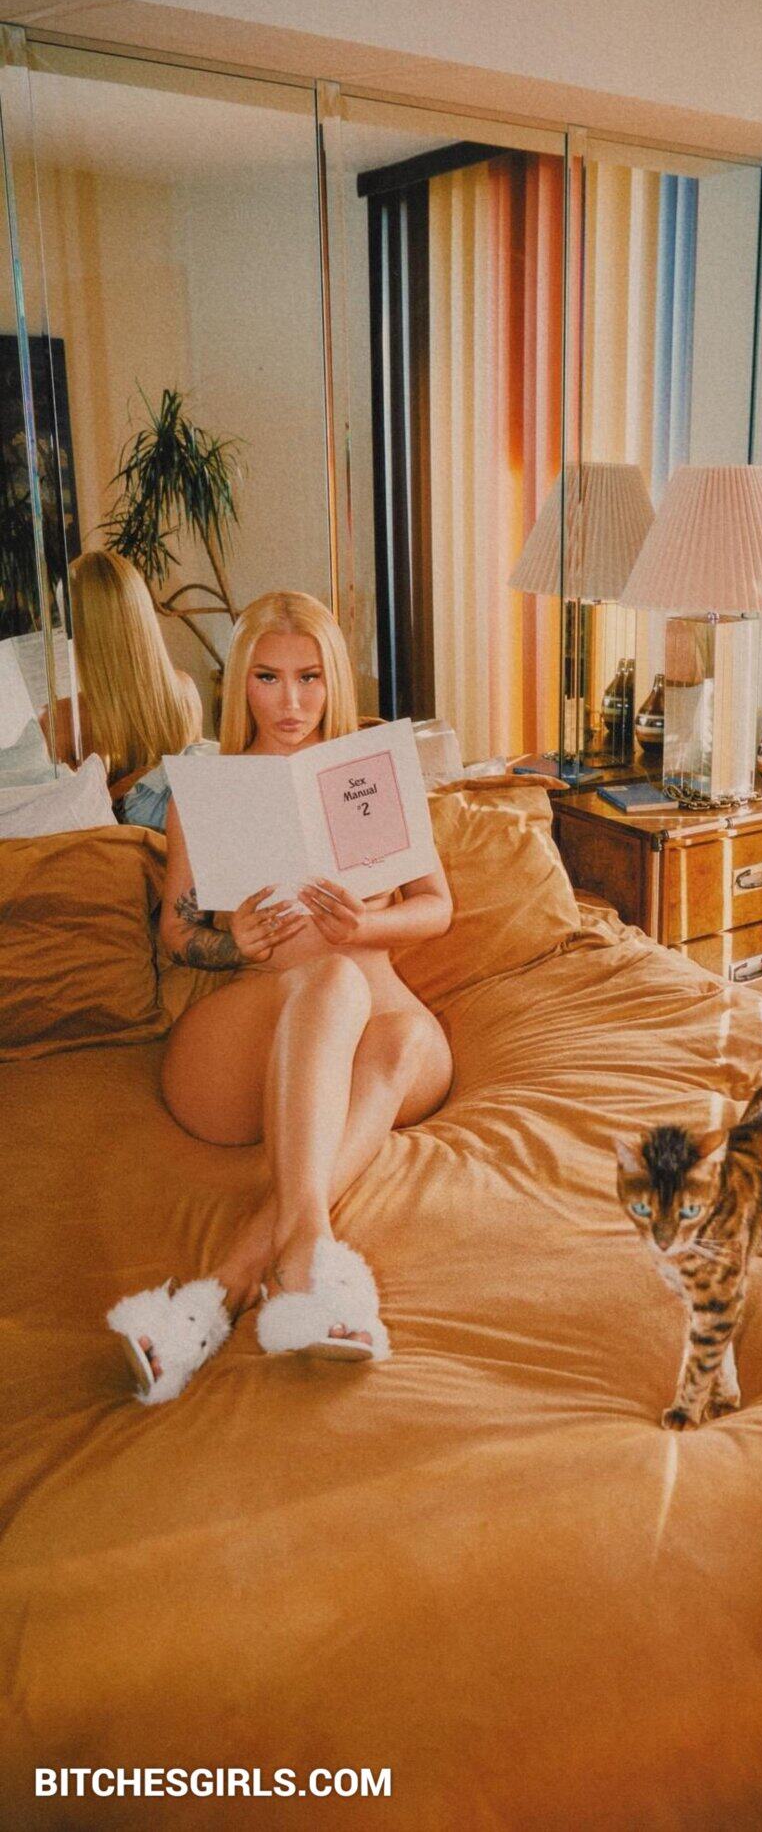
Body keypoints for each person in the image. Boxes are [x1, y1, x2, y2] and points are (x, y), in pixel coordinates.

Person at [107, 590, 453, 1403]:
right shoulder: (208, 791)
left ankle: (216, 1295)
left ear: (334, 680)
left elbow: (437, 906)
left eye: (309, 677)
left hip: (382, 1026)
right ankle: (302, 1267)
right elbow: (177, 932)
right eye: (268, 677)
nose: (291, 701)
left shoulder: (368, 774)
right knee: (330, 979)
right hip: (256, 1033)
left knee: (403, 1038)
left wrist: (366, 923)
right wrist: (239, 941)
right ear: (242, 684)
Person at [59, 548, 204, 827]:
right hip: (175, 846)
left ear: (81, 628)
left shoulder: (63, 719)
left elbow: (60, 826)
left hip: (113, 851)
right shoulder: (186, 692)